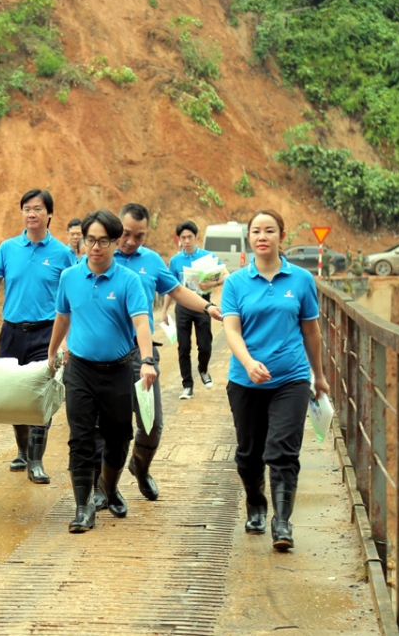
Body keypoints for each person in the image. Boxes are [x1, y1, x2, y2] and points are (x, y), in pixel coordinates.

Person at [221, 209, 329, 551]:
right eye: (256, 231)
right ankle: (255, 503)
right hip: (245, 380)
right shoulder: (236, 282)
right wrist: (249, 362)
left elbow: (311, 330)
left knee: (282, 451)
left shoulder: (301, 280)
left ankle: (282, 523)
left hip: (291, 379)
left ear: (282, 236)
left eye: (270, 230)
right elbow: (231, 329)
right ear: (249, 238)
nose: (262, 236)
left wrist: (319, 376)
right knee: (249, 455)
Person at [48, 209, 156, 533]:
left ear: (115, 242)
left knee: (119, 435)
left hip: (118, 370)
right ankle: (83, 508)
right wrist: (52, 351)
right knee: (80, 438)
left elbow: (141, 323)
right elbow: (62, 317)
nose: (95, 247)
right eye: (90, 239)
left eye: (103, 241)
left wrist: (148, 361)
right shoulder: (69, 277)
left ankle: (108, 488)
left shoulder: (128, 281)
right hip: (79, 369)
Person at [112, 205, 220, 503]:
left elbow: (178, 291)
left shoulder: (151, 261)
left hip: (140, 355)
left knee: (151, 424)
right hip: (105, 356)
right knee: (109, 427)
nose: (131, 241)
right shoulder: (102, 257)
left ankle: (140, 466)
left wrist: (208, 307)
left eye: (139, 236)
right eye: (126, 234)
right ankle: (103, 487)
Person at [0, 189, 75, 485]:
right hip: (12, 332)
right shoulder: (7, 248)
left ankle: (36, 461)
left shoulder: (63, 254)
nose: (31, 214)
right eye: (26, 209)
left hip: (47, 333)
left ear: (49, 214)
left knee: (41, 393)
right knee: (14, 393)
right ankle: (23, 450)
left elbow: (73, 297)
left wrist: (67, 338)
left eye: (37, 209)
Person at [164, 220, 229, 399]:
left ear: (195, 237)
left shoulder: (207, 256)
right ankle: (187, 385)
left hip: (204, 305)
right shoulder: (175, 261)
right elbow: (171, 287)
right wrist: (164, 312)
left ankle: (203, 369)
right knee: (183, 347)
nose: (186, 241)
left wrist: (212, 283)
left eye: (189, 237)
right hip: (183, 307)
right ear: (179, 239)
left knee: (205, 345)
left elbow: (226, 274)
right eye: (183, 237)